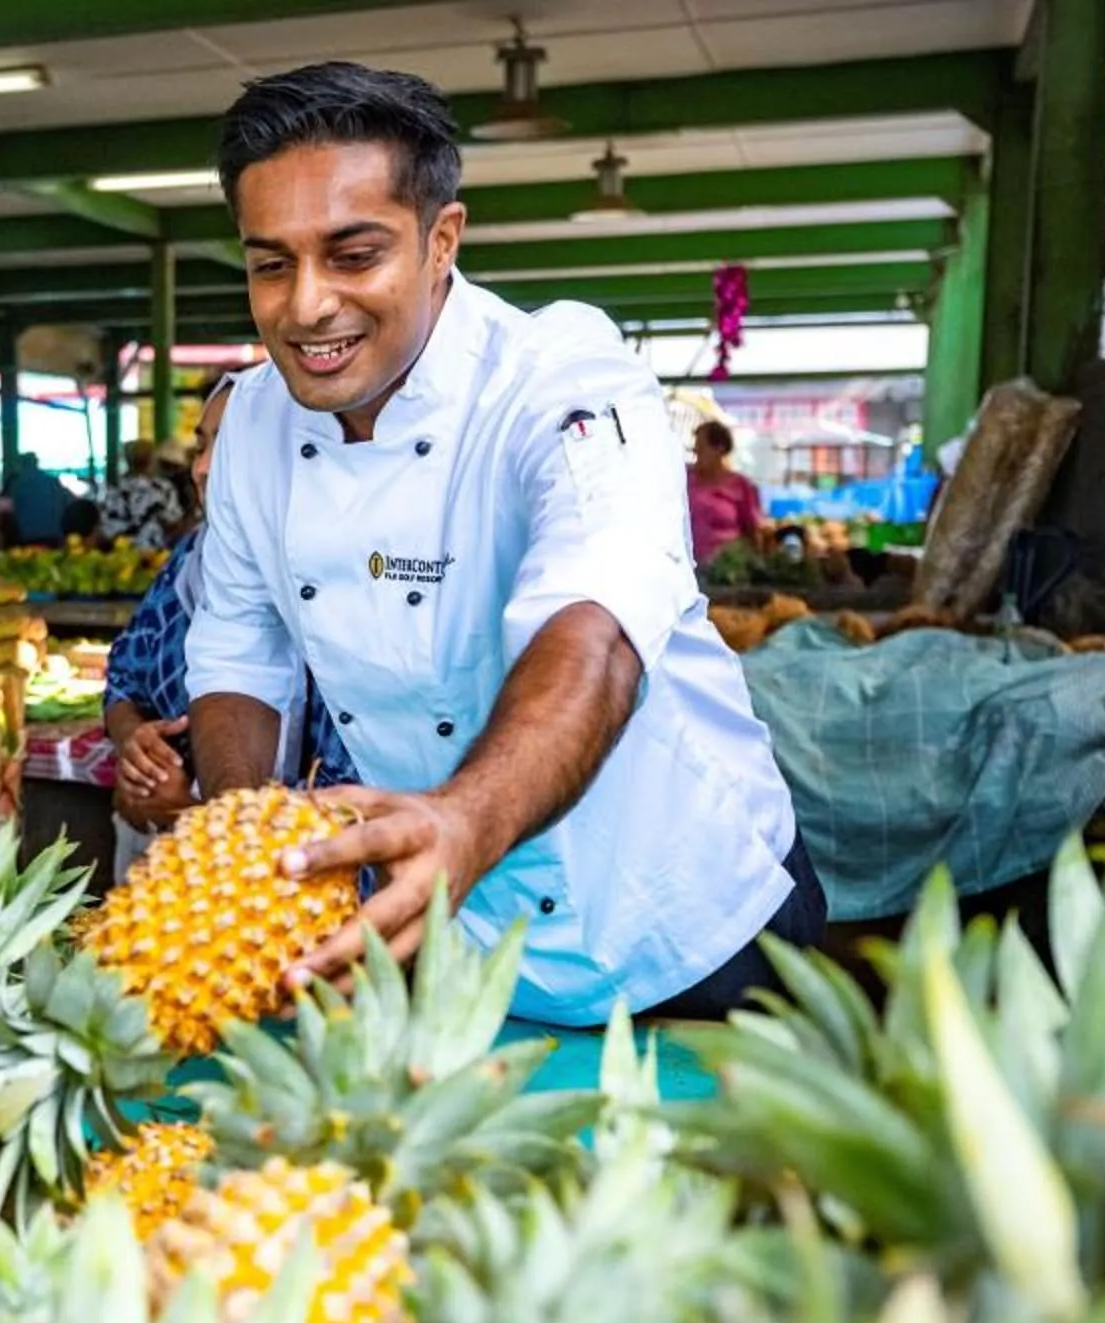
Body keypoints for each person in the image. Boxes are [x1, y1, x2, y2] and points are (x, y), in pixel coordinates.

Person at [182, 63, 819, 1025]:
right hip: (456, 937)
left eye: (353, 256)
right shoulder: (255, 426)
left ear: (443, 241)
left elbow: (595, 627)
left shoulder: (562, 376)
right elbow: (237, 650)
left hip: (685, 921)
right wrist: (243, 841)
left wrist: (467, 820)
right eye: (271, 263)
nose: (306, 305)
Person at [103, 371, 356, 874]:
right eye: (202, 444)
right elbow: (123, 679)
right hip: (198, 874)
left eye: (231, 443)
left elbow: (354, 797)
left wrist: (197, 811)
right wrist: (140, 747)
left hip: (307, 874)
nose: (203, 467)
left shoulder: (348, 585)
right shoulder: (187, 562)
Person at [685, 419, 765, 567]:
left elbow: (753, 532)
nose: (696, 452)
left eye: (701, 448)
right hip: (687, 569)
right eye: (695, 448)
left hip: (726, 571)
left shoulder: (741, 486)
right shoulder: (684, 481)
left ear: (720, 449)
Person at [101, 438, 187, 551]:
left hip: (122, 556)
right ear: (152, 461)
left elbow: (107, 529)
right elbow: (173, 522)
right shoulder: (163, 489)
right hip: (155, 556)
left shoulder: (114, 489)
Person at [3, 451, 72, 545]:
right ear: (36, 463)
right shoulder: (53, 482)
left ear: (21, 464)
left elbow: (6, 512)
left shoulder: (16, 484)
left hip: (27, 538)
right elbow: (68, 505)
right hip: (54, 536)